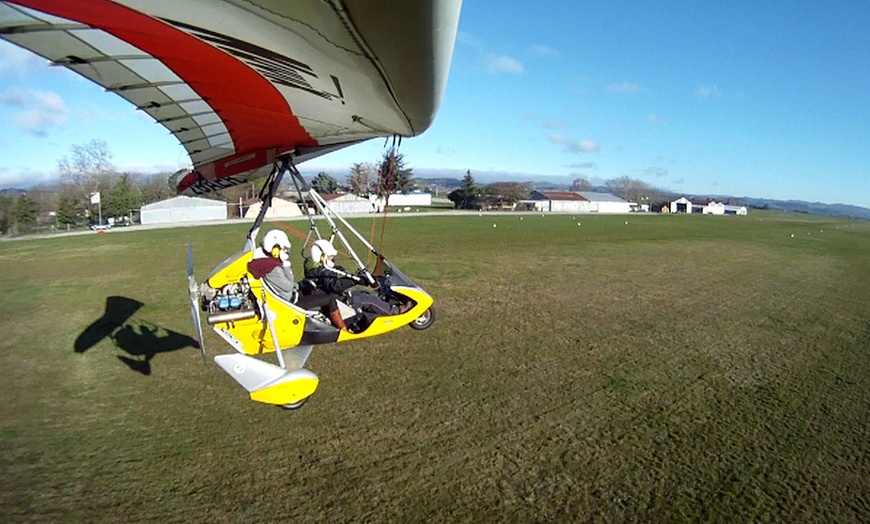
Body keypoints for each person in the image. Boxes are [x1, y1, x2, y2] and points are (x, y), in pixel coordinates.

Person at [247, 230, 348, 331]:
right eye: (284, 249)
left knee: (321, 292)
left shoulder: (267, 264)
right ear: (274, 250)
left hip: (292, 296)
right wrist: (287, 267)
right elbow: (288, 286)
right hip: (292, 303)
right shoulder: (273, 268)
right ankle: (343, 329)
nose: (286, 252)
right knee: (329, 298)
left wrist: (300, 285)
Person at [303, 239, 409, 321]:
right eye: (330, 257)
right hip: (336, 302)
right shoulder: (320, 271)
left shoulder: (315, 268)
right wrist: (356, 280)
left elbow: (333, 274)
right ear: (322, 257)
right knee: (369, 300)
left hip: (334, 297)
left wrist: (350, 275)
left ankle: (382, 310)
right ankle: (396, 311)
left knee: (363, 293)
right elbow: (335, 285)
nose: (332, 259)